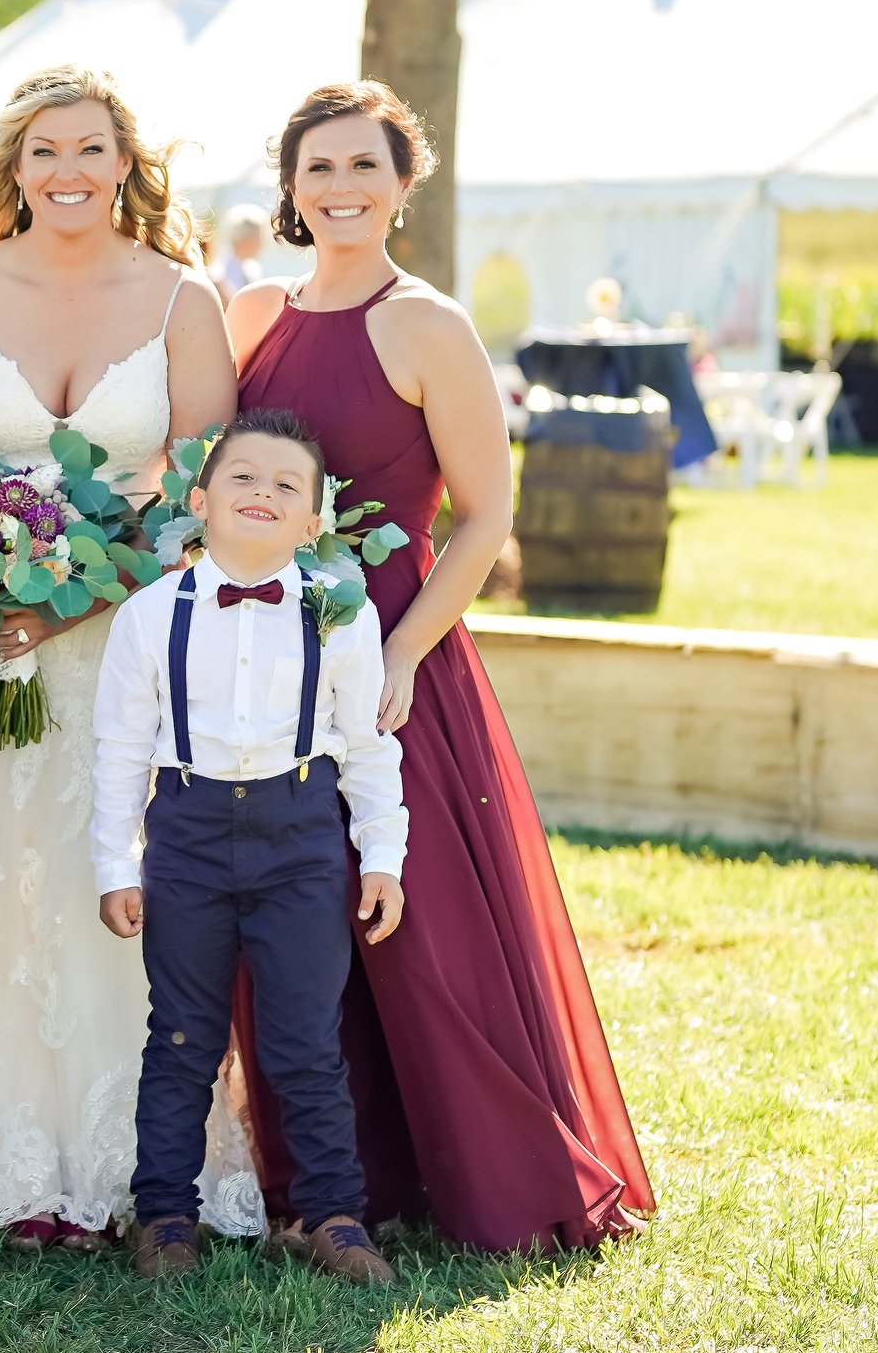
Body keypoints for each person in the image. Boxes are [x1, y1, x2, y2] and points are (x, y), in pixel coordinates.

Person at [228, 79, 656, 1251]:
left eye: (364, 166)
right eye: (318, 168)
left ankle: (488, 1169)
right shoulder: (253, 314)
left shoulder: (428, 325)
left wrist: (405, 652)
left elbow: (482, 515)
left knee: (416, 920)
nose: (340, 188)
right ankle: (331, 1169)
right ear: (290, 186)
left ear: (402, 184)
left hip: (390, 648)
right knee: (286, 902)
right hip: (263, 648)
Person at [0, 62, 244, 1250]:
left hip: (119, 647)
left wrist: (74, 603)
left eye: (90, 148)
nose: (68, 171)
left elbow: (201, 503)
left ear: (126, 163)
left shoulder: (186, 303)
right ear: (13, 169)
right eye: (45, 151)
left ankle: (127, 1164)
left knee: (109, 881)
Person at [90, 408, 407, 1286]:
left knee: (305, 1038)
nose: (262, 492)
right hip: (186, 839)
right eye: (243, 477)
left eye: (286, 484)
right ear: (199, 498)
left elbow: (370, 747)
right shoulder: (150, 617)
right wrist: (117, 863)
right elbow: (119, 749)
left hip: (302, 840)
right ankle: (165, 1215)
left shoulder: (342, 616)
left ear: (315, 521)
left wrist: (383, 855)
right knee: (184, 1034)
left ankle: (333, 1214)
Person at [208, 203, 268, 301]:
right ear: (246, 239)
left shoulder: (252, 268)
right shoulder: (220, 272)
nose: (262, 244)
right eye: (259, 239)